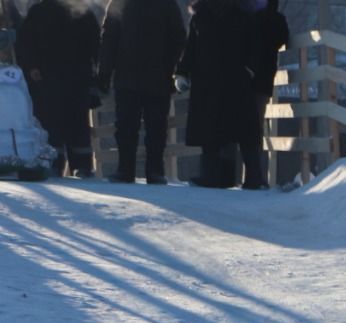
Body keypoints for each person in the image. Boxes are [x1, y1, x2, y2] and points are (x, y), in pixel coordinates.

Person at [98, 0, 186, 185]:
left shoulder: (120, 3)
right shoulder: (166, 5)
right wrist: (171, 66)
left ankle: (127, 170)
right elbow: (178, 37)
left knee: (129, 126)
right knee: (153, 127)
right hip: (155, 76)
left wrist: (104, 74)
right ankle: (152, 171)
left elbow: (109, 38)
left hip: (130, 76)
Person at [176, 0, 261, 189]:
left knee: (210, 131)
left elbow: (191, 48)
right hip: (236, 80)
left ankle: (211, 176)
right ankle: (253, 177)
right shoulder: (242, 15)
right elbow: (254, 45)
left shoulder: (201, 16)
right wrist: (249, 69)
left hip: (208, 81)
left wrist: (182, 71)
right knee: (243, 129)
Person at [14, 0, 100, 178]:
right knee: (69, 124)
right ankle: (75, 165)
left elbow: (24, 44)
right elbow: (96, 45)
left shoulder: (40, 12)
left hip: (56, 79)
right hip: (68, 78)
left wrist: (31, 66)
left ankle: (61, 164)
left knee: (57, 123)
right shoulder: (80, 11)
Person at [247, 0, 288, 190]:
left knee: (241, 126)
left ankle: (229, 172)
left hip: (242, 77)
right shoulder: (277, 20)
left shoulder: (249, 17)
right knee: (256, 126)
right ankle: (256, 175)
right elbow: (284, 40)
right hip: (263, 79)